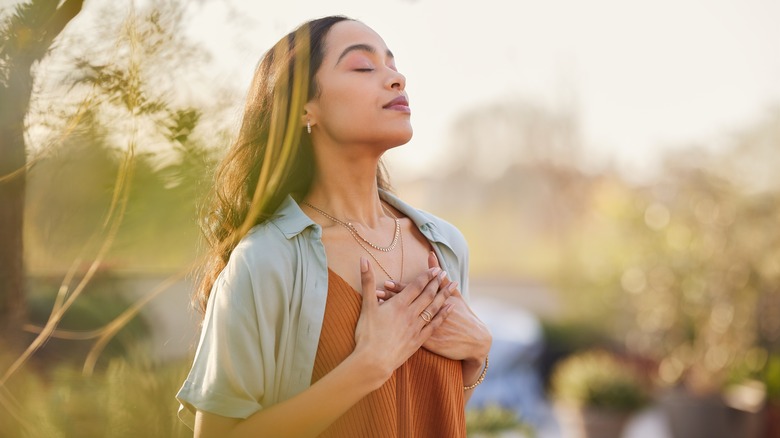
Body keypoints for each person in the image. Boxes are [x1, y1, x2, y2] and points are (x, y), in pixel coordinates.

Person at [176, 15, 492, 438]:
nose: (397, 78)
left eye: (393, 65)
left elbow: (431, 411)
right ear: (306, 108)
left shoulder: (446, 245)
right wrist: (368, 366)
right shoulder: (265, 261)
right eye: (364, 67)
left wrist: (476, 356)